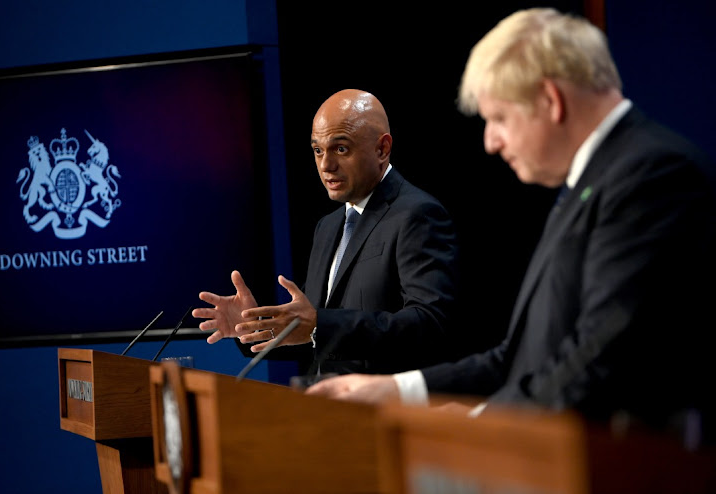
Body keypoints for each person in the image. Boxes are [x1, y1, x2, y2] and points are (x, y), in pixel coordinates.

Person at [306, 8, 716, 441]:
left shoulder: (652, 175)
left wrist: (474, 423)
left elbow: (601, 358)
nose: (491, 141)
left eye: (499, 118)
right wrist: (397, 389)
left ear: (550, 100)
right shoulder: (591, 184)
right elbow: (521, 358)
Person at [192, 89, 461, 376]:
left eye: (341, 149)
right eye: (318, 150)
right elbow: (314, 335)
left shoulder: (417, 215)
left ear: (382, 149)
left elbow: (429, 324)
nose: (325, 165)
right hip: (327, 408)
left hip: (387, 410)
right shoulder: (328, 227)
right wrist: (255, 326)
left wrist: (320, 325)